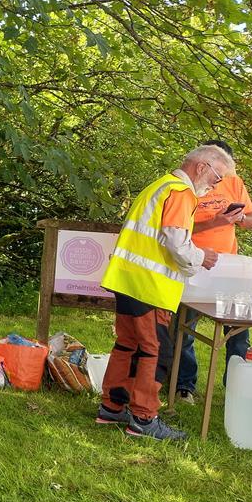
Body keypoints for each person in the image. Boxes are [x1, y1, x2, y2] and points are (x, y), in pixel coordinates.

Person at [97, 144, 234, 440]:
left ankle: (113, 406)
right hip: (149, 287)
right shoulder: (181, 193)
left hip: (126, 280)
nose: (217, 184)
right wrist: (202, 257)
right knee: (156, 351)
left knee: (128, 346)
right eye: (218, 176)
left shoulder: (160, 186)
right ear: (201, 167)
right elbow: (176, 243)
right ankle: (144, 419)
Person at [158, 140, 252, 404]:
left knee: (238, 331)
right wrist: (215, 221)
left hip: (229, 266)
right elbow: (177, 232)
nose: (219, 180)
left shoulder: (234, 183)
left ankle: (237, 387)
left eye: (224, 174)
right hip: (193, 264)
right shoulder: (187, 188)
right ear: (206, 164)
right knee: (185, 327)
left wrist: (237, 219)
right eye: (218, 174)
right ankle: (184, 386)